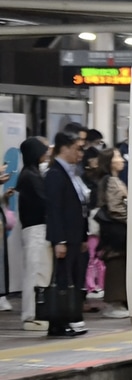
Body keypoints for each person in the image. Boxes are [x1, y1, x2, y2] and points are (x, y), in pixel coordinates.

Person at [43, 131, 89, 337]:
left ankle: (66, 319)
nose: (79, 153)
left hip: (74, 236)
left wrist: (83, 237)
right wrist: (58, 240)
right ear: (65, 148)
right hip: (64, 237)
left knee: (69, 277)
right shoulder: (54, 174)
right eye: (76, 148)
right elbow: (54, 209)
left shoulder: (71, 173)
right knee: (61, 279)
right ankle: (58, 323)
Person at [15, 137, 51, 331]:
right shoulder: (30, 176)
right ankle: (29, 315)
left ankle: (33, 313)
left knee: (36, 271)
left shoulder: (30, 173)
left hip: (34, 228)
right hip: (35, 228)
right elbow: (44, 200)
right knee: (33, 271)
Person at [95, 148, 129, 318]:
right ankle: (114, 302)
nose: (122, 159)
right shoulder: (111, 181)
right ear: (110, 162)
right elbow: (115, 208)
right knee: (116, 262)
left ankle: (118, 301)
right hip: (116, 230)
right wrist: (130, 219)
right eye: (118, 157)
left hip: (116, 229)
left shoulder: (114, 180)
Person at [82, 146, 105, 307]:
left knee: (99, 255)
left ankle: (100, 285)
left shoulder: (101, 177)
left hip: (99, 217)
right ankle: (91, 286)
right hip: (91, 219)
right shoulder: (84, 177)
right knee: (91, 256)